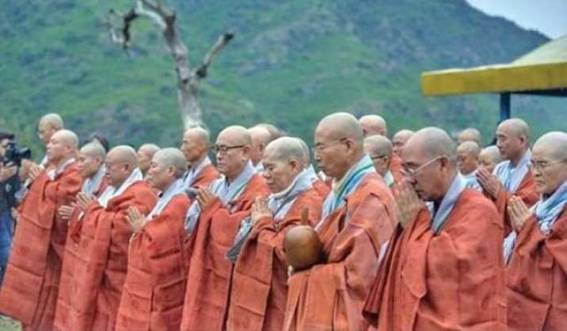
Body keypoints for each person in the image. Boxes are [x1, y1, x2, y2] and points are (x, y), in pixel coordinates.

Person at [363, 127, 506, 331]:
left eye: (413, 169)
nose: (408, 180)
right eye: (404, 170)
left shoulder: (479, 210)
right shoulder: (428, 205)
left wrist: (416, 223)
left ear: (442, 164)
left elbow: (448, 268)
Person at [283, 113, 396, 330]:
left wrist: (305, 275)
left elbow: (360, 278)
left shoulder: (371, 196)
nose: (316, 156)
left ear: (347, 146)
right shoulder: (339, 191)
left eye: (321, 147)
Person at [225, 137, 323, 331]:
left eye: (271, 168)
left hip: (280, 300)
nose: (265, 176)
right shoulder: (273, 199)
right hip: (254, 297)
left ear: (294, 166)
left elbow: (289, 254)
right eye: (263, 169)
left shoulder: (309, 202)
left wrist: (262, 223)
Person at [180, 126, 270, 331]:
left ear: (246, 152)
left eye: (225, 149)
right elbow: (190, 224)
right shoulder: (215, 186)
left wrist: (214, 210)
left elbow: (247, 233)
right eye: (217, 149)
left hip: (233, 278)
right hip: (206, 270)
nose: (219, 156)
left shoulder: (260, 188)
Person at [60, 146, 157, 331]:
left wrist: (93, 212)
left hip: (119, 274)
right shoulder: (113, 190)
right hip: (102, 275)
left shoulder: (141, 193)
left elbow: (123, 229)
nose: (105, 172)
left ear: (126, 168)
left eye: (110, 167)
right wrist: (85, 213)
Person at [0, 130, 82, 331]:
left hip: (56, 253)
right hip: (43, 255)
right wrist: (42, 181)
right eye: (49, 142)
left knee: (50, 305)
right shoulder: (52, 171)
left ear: (69, 148)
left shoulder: (74, 173)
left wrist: (42, 181)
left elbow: (61, 205)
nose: (48, 145)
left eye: (54, 142)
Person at [116, 148, 191, 330]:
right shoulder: (165, 198)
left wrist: (143, 230)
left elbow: (163, 246)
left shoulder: (179, 203)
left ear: (171, 171)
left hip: (163, 290)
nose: (150, 171)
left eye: (155, 166)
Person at [505, 132, 567, 331]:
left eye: (543, 164)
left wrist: (529, 230)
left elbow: (559, 264)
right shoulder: (538, 208)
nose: (536, 173)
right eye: (532, 165)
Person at [53, 142, 108, 329]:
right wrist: (78, 213)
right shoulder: (87, 181)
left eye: (82, 160)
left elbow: (108, 218)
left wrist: (86, 213)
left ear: (98, 161)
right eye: (77, 160)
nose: (78, 165)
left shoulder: (106, 183)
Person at [477, 118, 538, 233]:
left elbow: (528, 205)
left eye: (503, 139)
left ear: (522, 140)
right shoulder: (500, 168)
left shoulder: (535, 169)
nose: (498, 145)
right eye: (497, 139)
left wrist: (498, 192)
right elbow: (488, 205)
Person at [0, 132, 20, 284]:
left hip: (4, 214)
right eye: (5, 146)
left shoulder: (10, 165)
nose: (9, 150)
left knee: (8, 256)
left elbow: (15, 192)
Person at [180, 127, 219, 191]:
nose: (182, 148)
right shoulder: (186, 172)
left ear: (202, 146)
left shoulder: (211, 176)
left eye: (186, 143)